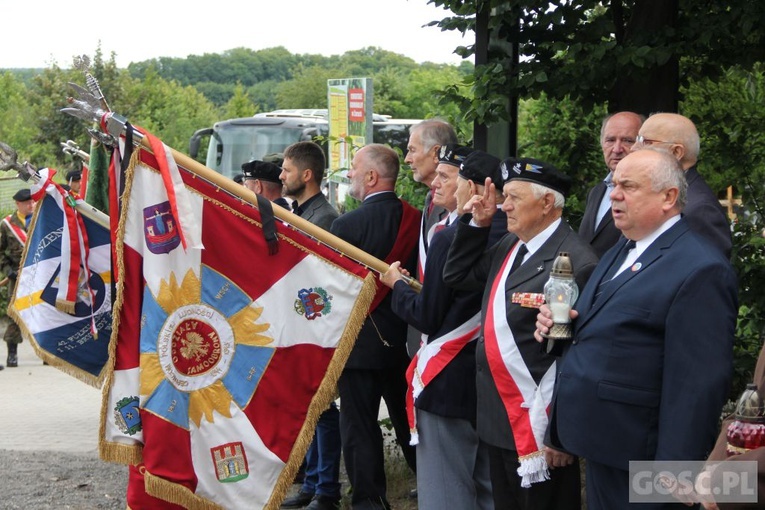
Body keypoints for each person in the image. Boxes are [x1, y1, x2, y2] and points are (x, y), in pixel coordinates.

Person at [535, 148, 738, 509]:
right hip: (601, 443)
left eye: (628, 186)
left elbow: (697, 381)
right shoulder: (622, 248)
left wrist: (675, 468)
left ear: (668, 197)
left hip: (645, 458)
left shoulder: (700, 268)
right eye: (614, 184)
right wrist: (556, 326)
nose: (614, 194)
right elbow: (595, 329)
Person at [443, 157, 598, 510]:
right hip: (500, 415)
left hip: (538, 426)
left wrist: (559, 432)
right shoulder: (511, 247)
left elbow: (573, 358)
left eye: (513, 197)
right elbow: (457, 276)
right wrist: (477, 225)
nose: (503, 205)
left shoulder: (575, 261)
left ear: (546, 203)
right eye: (504, 196)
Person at [380, 146, 504, 510]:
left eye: (447, 177)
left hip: (447, 379)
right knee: (486, 488)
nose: (435, 183)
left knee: (446, 493)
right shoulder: (510, 233)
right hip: (491, 379)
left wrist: (397, 287)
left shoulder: (451, 237)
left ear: (475, 187)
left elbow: (429, 316)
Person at [329, 144, 420, 510]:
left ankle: (369, 502)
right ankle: (431, 485)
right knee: (410, 425)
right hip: (405, 342)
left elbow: (333, 290)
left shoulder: (346, 225)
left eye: (354, 168)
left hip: (358, 345)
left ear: (371, 176)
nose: (349, 174)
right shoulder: (418, 219)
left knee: (360, 430)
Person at [279, 141, 342, 510]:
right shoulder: (302, 211)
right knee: (309, 408)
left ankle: (327, 490)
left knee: (322, 408)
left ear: (306, 175)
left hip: (317, 325)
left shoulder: (325, 217)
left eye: (286, 170)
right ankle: (314, 484)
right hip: (299, 321)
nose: (281, 176)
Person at [632, 112, 733, 258]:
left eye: (645, 142)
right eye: (637, 139)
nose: (634, 148)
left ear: (676, 152)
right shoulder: (663, 192)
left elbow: (710, 274)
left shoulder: (701, 209)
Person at [404, 119, 458, 360]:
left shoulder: (458, 205)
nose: (407, 159)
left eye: (412, 150)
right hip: (423, 331)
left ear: (436, 152)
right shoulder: (430, 201)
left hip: (450, 337)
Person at [579, 111, 644, 257]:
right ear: (601, 143)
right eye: (610, 140)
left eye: (627, 140)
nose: (616, 149)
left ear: (642, 144)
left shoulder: (648, 195)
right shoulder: (597, 191)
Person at [0, 188, 34, 368]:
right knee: (15, 313)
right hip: (17, 275)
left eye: (32, 202)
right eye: (27, 203)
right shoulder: (6, 225)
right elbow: (0, 251)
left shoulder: (40, 220)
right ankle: (12, 354)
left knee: (41, 312)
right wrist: (6, 269)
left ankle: (46, 353)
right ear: (18, 204)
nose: (31, 205)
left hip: (39, 274)